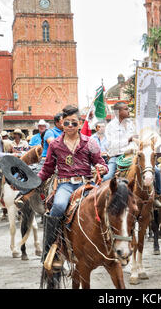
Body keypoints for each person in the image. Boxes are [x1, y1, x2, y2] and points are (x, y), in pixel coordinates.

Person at [37, 105, 108, 265]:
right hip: (65, 185)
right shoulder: (55, 144)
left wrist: (102, 168)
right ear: (62, 123)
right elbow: (47, 169)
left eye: (74, 123)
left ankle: (109, 243)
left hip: (87, 184)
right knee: (59, 206)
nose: (70, 126)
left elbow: (100, 162)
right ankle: (50, 249)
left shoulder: (90, 142)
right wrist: (35, 181)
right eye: (67, 123)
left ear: (80, 124)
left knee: (104, 204)